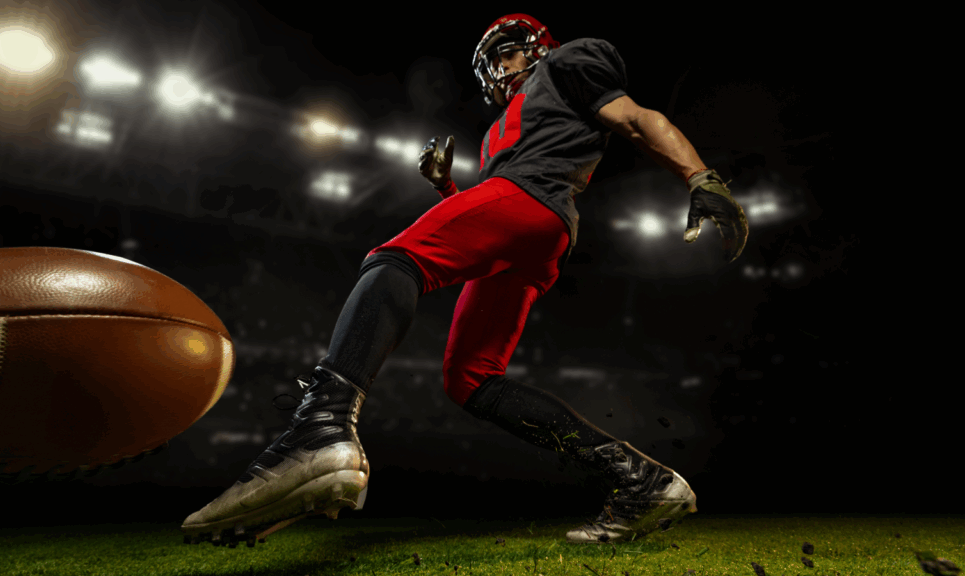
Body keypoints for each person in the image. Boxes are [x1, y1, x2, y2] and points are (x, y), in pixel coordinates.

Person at [182, 13, 749, 548]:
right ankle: (642, 480)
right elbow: (485, 222)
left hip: (533, 202)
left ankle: (322, 427)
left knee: (394, 259)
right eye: (491, 63)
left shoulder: (567, 63)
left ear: (536, 45)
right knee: (470, 379)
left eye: (504, 54)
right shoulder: (500, 129)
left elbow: (634, 119)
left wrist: (701, 178)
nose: (497, 70)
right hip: (533, 231)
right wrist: (448, 189)